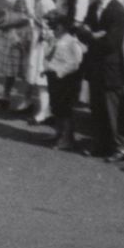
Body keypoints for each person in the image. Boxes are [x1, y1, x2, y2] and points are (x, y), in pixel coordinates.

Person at [77, 0, 124, 161]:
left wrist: (91, 36)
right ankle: (100, 143)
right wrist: (93, 35)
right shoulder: (95, 8)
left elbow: (112, 43)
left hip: (110, 67)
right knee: (97, 107)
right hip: (96, 65)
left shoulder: (117, 10)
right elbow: (81, 30)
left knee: (113, 109)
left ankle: (120, 146)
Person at [0, 0, 38, 111]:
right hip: (11, 28)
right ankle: (5, 95)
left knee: (23, 66)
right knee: (10, 65)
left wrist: (10, 23)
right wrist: (6, 20)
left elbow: (28, 15)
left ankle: (27, 99)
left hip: (22, 30)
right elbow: (9, 7)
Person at [41, 10, 86, 149]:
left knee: (65, 109)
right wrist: (47, 69)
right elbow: (50, 56)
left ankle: (67, 139)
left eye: (53, 27)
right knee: (56, 107)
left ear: (60, 27)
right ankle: (59, 133)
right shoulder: (56, 39)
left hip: (66, 80)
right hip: (54, 77)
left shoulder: (71, 42)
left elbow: (75, 63)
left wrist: (59, 73)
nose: (51, 30)